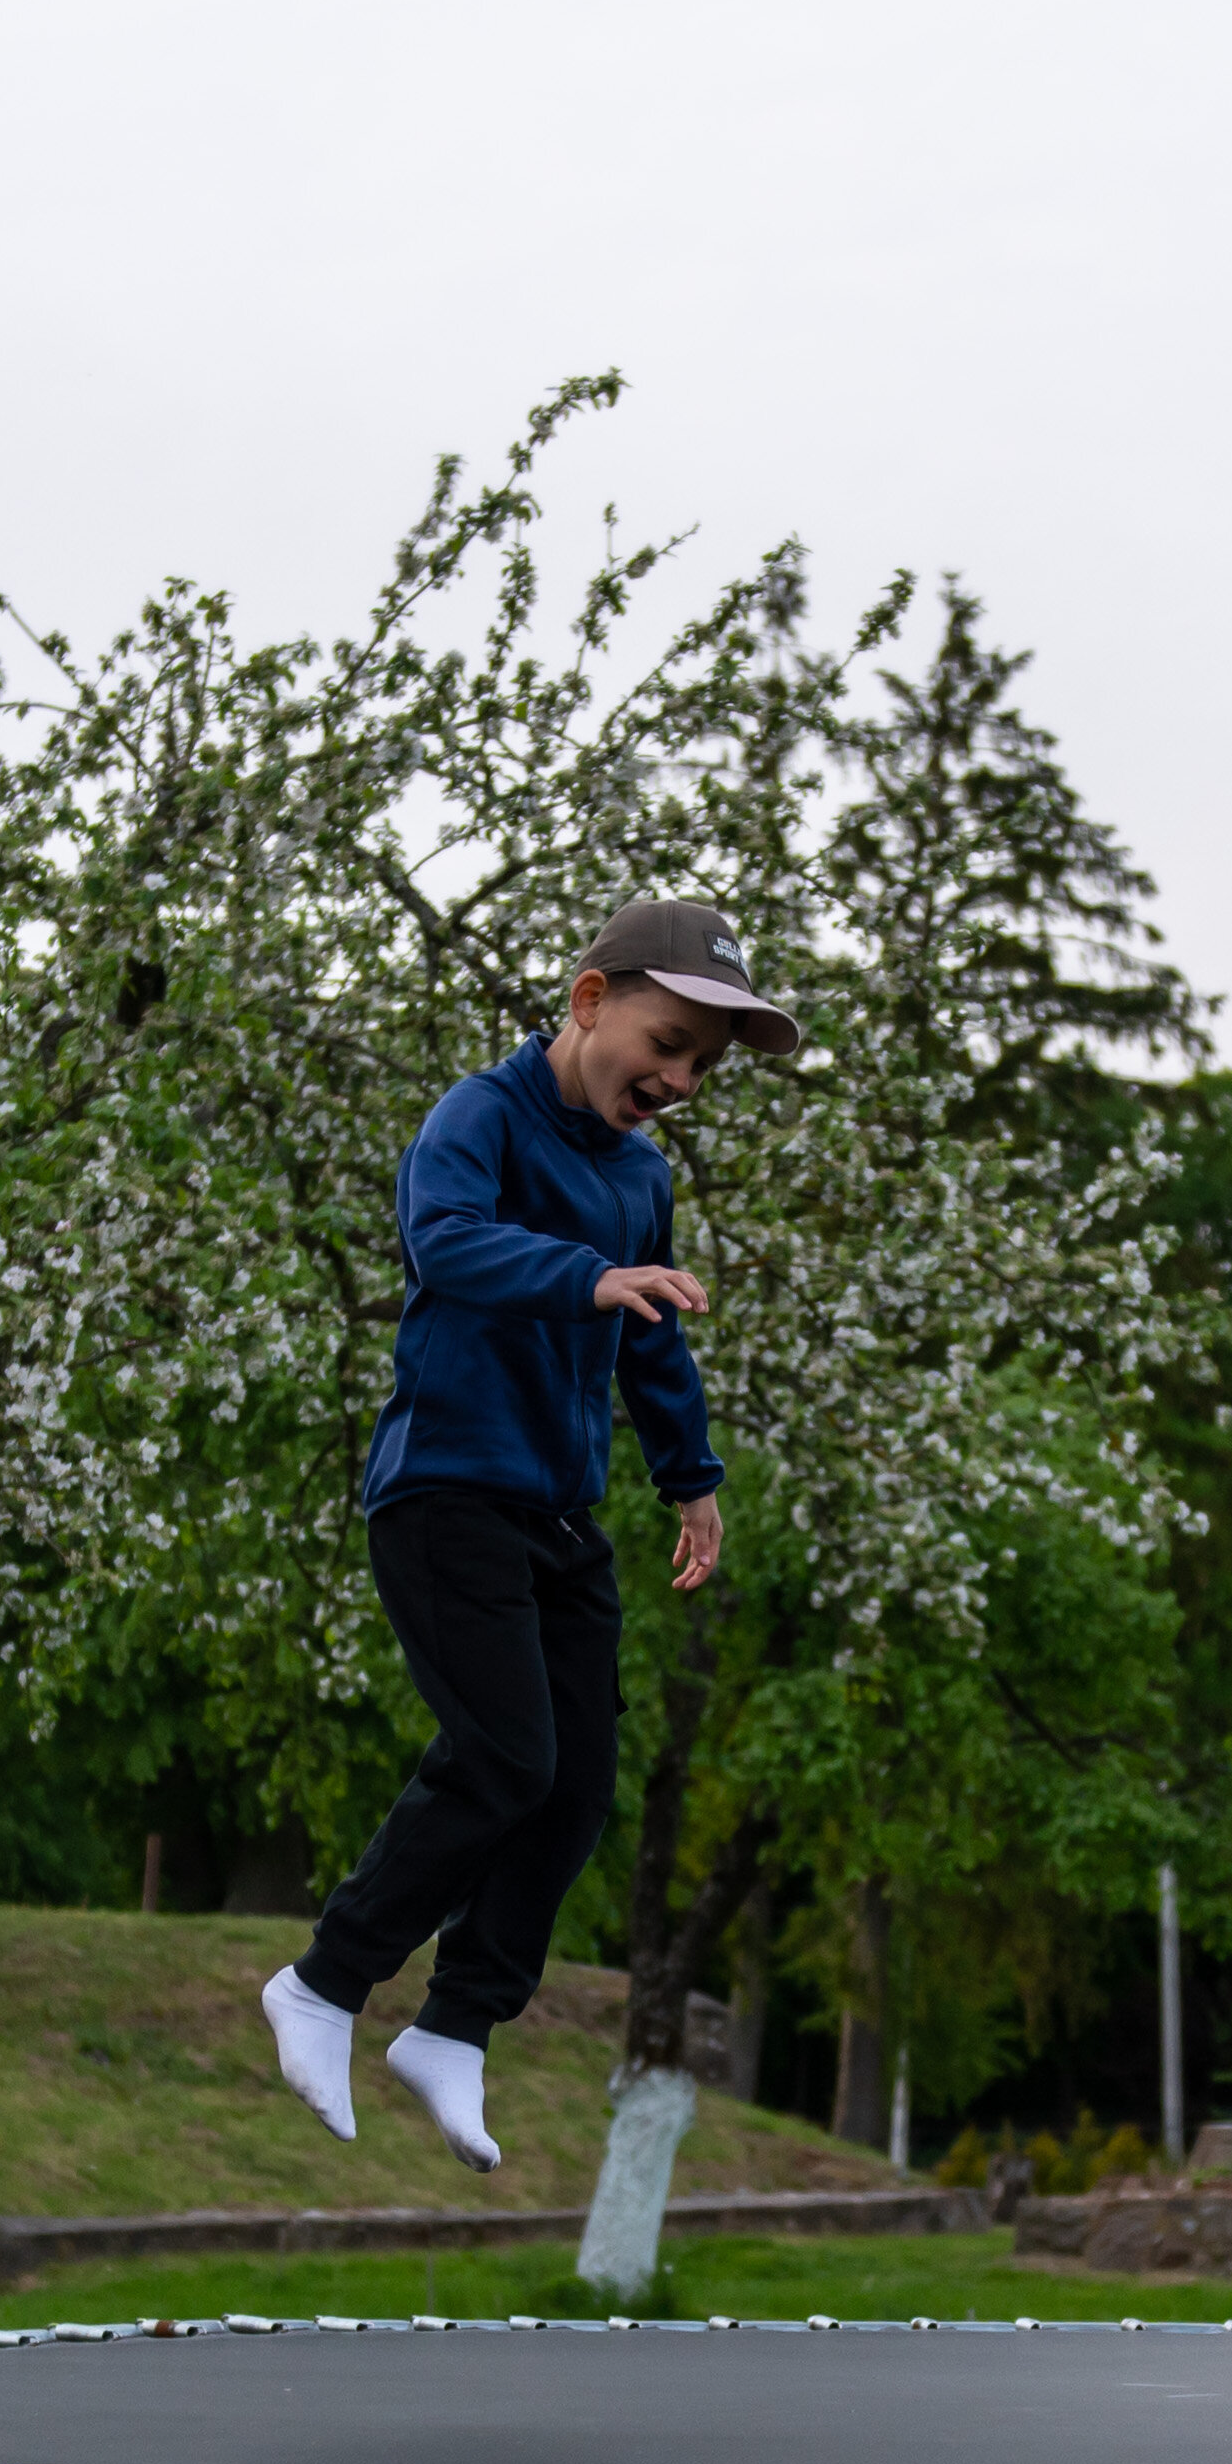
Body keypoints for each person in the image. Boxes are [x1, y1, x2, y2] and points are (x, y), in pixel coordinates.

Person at [260, 902, 797, 2166]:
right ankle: (324, 1982)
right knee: (504, 1755)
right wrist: (587, 1277)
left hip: (559, 1514)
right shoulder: (481, 1117)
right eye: (667, 1045)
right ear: (590, 1000)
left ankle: (456, 2025)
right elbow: (444, 1243)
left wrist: (692, 1477)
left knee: (576, 1784)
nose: (679, 1081)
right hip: (445, 1494)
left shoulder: (643, 1178)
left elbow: (653, 1344)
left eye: (703, 1067)